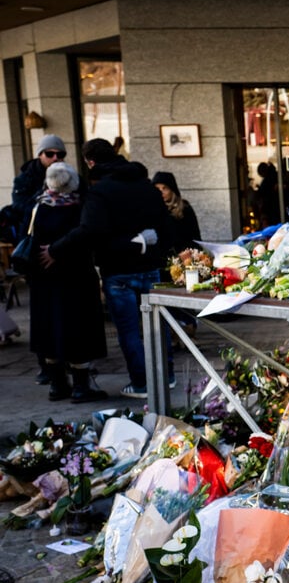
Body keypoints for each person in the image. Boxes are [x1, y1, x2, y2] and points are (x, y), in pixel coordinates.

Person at [42, 138, 173, 399]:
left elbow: (91, 229)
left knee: (129, 331)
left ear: (90, 162)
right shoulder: (145, 185)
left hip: (119, 269)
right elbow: (165, 223)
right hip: (150, 266)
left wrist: (55, 249)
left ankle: (141, 383)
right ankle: (166, 377)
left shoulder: (100, 191)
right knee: (159, 327)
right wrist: (143, 242)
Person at [28, 162, 108, 403]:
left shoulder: (39, 206)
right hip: (76, 279)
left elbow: (29, 239)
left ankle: (57, 385)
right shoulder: (80, 207)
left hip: (44, 279)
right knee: (78, 331)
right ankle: (81, 387)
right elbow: (87, 239)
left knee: (50, 331)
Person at [11, 134, 70, 386]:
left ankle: (64, 363)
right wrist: (46, 194)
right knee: (42, 316)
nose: (55, 158)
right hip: (37, 257)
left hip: (63, 260)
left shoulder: (68, 176)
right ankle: (46, 366)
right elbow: (19, 209)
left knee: (63, 314)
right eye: (50, 154)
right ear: (40, 155)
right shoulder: (27, 179)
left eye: (60, 154)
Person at [152, 171, 201, 252]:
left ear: (172, 190)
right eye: (157, 189)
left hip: (183, 255)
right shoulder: (151, 208)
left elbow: (194, 236)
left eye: (165, 188)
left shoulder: (184, 208)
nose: (161, 192)